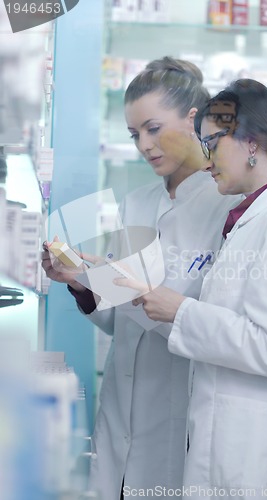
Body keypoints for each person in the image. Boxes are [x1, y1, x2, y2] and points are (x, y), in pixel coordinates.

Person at [121, 79, 267, 499]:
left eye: (213, 144)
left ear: (250, 143)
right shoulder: (249, 219)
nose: (206, 157)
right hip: (233, 448)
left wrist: (181, 311)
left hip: (261, 457)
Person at [41, 57, 241, 500]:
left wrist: (117, 284)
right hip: (119, 410)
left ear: (193, 119)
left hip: (179, 411)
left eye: (153, 128)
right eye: (134, 135)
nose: (144, 145)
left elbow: (211, 323)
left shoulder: (225, 207)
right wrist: (81, 281)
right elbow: (119, 322)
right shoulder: (136, 202)